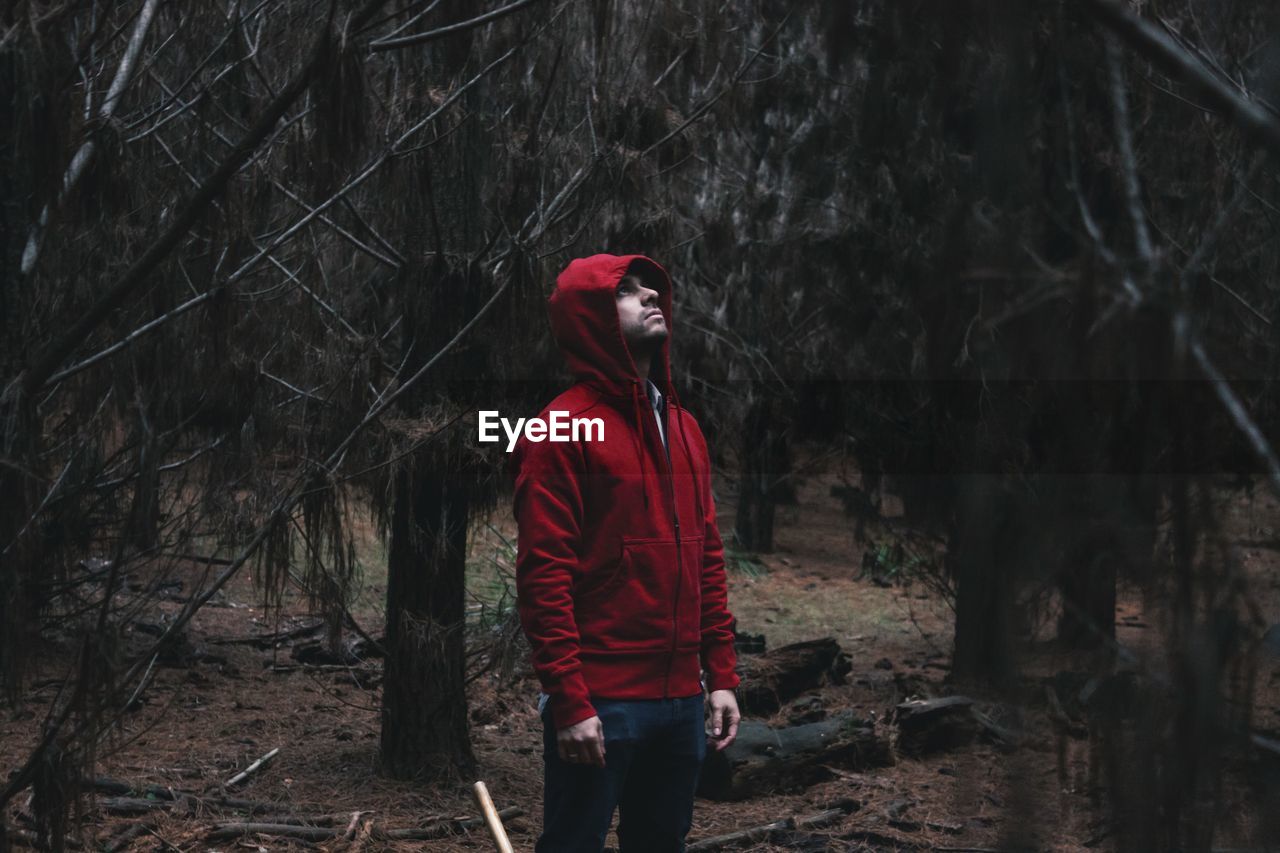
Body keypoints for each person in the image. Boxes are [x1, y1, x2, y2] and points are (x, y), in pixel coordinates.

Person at [510, 253, 742, 853]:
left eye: (651, 289)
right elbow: (544, 575)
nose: (649, 298)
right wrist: (569, 700)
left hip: (683, 701)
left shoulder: (686, 427)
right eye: (627, 292)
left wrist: (720, 675)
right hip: (603, 701)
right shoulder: (559, 427)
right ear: (591, 318)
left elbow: (706, 557)